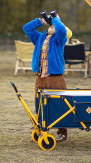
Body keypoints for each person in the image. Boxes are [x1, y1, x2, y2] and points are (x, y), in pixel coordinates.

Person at [23, 10, 72, 141]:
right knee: (39, 104)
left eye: (53, 25)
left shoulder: (59, 39)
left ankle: (62, 133)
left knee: (59, 104)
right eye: (50, 24)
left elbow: (61, 30)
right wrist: (41, 21)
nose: (51, 25)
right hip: (40, 77)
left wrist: (56, 19)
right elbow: (26, 28)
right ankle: (41, 130)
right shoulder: (39, 38)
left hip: (55, 77)